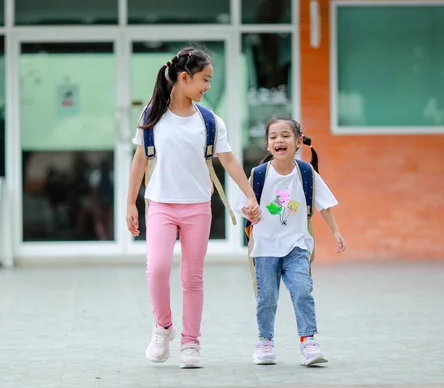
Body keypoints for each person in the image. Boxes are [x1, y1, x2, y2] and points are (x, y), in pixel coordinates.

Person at [125, 46, 261, 369]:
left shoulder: (210, 121)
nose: (207, 87)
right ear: (184, 78)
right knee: (156, 269)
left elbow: (228, 159)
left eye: (210, 81)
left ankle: (190, 341)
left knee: (192, 276)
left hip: (198, 207)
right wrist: (130, 202)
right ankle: (163, 327)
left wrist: (249, 195)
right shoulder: (152, 115)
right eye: (205, 80)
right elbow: (140, 159)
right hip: (159, 205)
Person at [235, 117, 346, 367]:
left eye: (285, 135)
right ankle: (265, 342)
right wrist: (249, 211)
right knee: (267, 298)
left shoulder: (306, 172)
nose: (279, 140)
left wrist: (336, 232)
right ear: (267, 144)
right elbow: (243, 204)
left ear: (298, 142)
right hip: (265, 248)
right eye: (273, 136)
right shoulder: (259, 174)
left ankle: (309, 342)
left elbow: (324, 204)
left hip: (297, 245)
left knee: (303, 291)